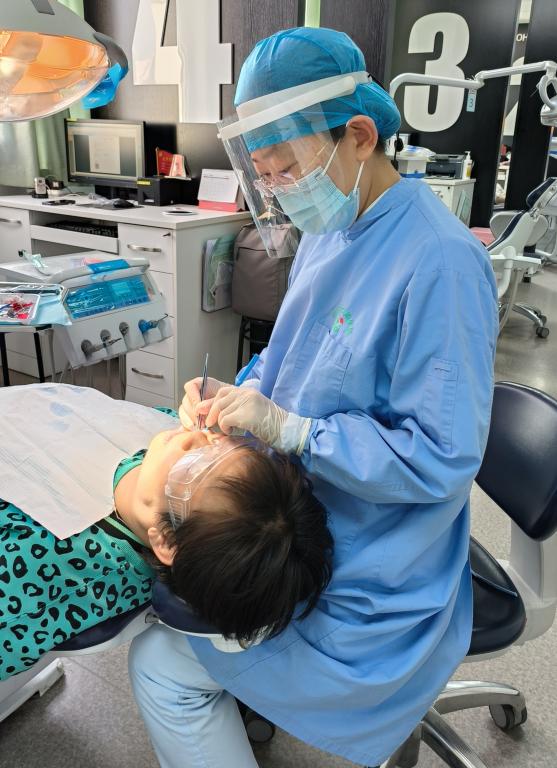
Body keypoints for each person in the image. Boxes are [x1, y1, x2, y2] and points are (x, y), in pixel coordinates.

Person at [128, 26, 500, 768]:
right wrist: (240, 394)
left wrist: (294, 432)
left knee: (159, 664)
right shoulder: (333, 225)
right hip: (304, 516)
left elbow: (440, 460)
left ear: (358, 136)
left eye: (288, 169)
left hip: (373, 567)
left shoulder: (440, 264)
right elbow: (295, 354)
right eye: (264, 174)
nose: (279, 189)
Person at [0, 389, 332, 681]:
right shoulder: (165, 452)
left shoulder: (56, 568)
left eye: (196, 464)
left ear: (167, 540)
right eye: (222, 442)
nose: (195, 436)